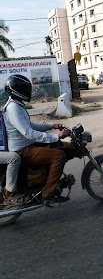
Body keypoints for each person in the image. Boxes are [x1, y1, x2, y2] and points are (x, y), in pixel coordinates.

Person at [3, 74, 71, 204]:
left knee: (56, 146)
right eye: (26, 89)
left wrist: (52, 125)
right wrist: (56, 135)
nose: (28, 92)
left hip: (26, 145)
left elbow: (30, 125)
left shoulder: (16, 104)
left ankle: (44, 182)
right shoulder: (13, 109)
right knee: (58, 156)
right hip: (23, 149)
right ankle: (47, 193)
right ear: (17, 90)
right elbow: (28, 132)